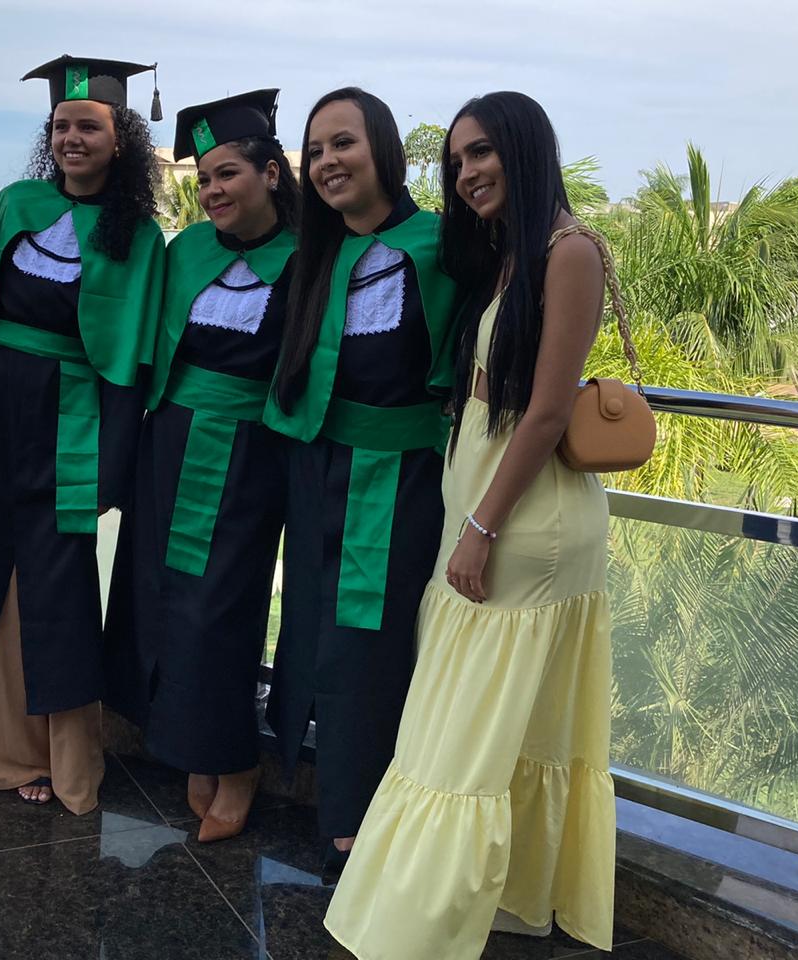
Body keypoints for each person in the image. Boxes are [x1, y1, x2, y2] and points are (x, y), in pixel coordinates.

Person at [324, 91, 616, 958]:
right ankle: (496, 900)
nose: (466, 173)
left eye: (481, 152)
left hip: (524, 521)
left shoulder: (570, 252)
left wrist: (481, 530)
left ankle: (415, 927)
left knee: (454, 733)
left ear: (524, 150)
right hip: (484, 501)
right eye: (456, 161)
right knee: (490, 728)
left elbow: (546, 412)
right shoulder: (508, 255)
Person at [0, 56, 165, 814]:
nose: (70, 138)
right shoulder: (14, 205)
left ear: (120, 139)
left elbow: (132, 363)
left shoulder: (139, 236)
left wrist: (114, 466)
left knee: (58, 584)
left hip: (72, 418)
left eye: (88, 125)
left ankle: (66, 761)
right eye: (60, 125)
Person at [262, 88, 457, 875]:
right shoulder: (315, 252)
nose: (326, 162)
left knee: (368, 644)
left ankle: (362, 818)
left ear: (383, 147)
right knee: (312, 631)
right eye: (314, 151)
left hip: (397, 475)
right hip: (315, 468)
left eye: (343, 143)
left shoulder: (442, 245)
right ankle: (336, 803)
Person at [103, 90, 300, 842]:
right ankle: (190, 748)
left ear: (271, 174)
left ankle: (235, 762)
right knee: (162, 600)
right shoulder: (185, 250)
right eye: (206, 178)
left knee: (223, 610)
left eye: (228, 175)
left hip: (250, 452)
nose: (213, 190)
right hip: (170, 442)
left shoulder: (307, 260)